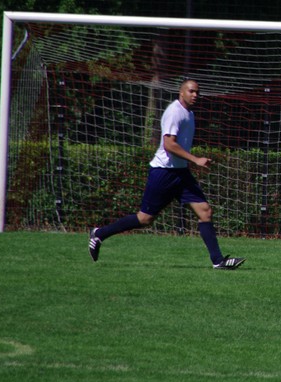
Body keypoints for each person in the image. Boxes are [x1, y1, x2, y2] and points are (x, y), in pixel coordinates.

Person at [88, 79, 245, 270]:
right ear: (181, 92)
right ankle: (99, 234)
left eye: (198, 92)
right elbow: (169, 145)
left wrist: (189, 162)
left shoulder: (189, 113)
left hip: (180, 172)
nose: (195, 95)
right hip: (163, 172)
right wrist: (195, 159)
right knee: (145, 219)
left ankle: (218, 261)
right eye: (191, 91)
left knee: (205, 211)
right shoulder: (174, 112)